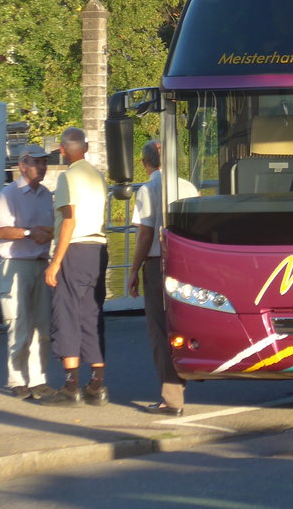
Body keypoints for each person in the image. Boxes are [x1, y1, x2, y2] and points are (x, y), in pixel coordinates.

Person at [127, 140, 199, 416]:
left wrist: (134, 270)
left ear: (145, 164)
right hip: (188, 264)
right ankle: (183, 381)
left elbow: (145, 234)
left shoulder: (147, 189)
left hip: (159, 264)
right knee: (183, 325)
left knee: (160, 330)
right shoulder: (189, 188)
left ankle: (172, 397)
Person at [41, 127, 110, 406]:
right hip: (98, 248)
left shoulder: (68, 177)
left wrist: (55, 263)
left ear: (61, 150)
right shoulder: (98, 176)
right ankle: (97, 383)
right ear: (87, 147)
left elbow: (69, 220)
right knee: (91, 314)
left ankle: (71, 385)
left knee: (67, 313)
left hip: (75, 249)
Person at [0, 144, 56, 400]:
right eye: (37, 162)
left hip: (41, 263)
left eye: (44, 162)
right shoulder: (9, 194)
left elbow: (51, 229)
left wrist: (47, 234)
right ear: (22, 166)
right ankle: (18, 380)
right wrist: (29, 232)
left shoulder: (46, 194)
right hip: (15, 263)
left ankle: (38, 380)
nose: (42, 167)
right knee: (19, 324)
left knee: (42, 326)